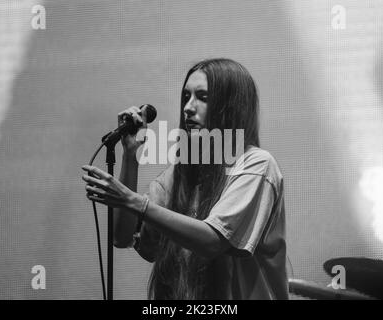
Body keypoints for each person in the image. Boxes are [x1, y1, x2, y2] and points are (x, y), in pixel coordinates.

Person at [82, 58, 288, 300]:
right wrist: (130, 157)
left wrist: (134, 201)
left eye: (203, 97)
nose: (188, 108)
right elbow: (121, 237)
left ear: (230, 107)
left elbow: (212, 241)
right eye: (186, 97)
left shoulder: (256, 165)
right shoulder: (178, 175)